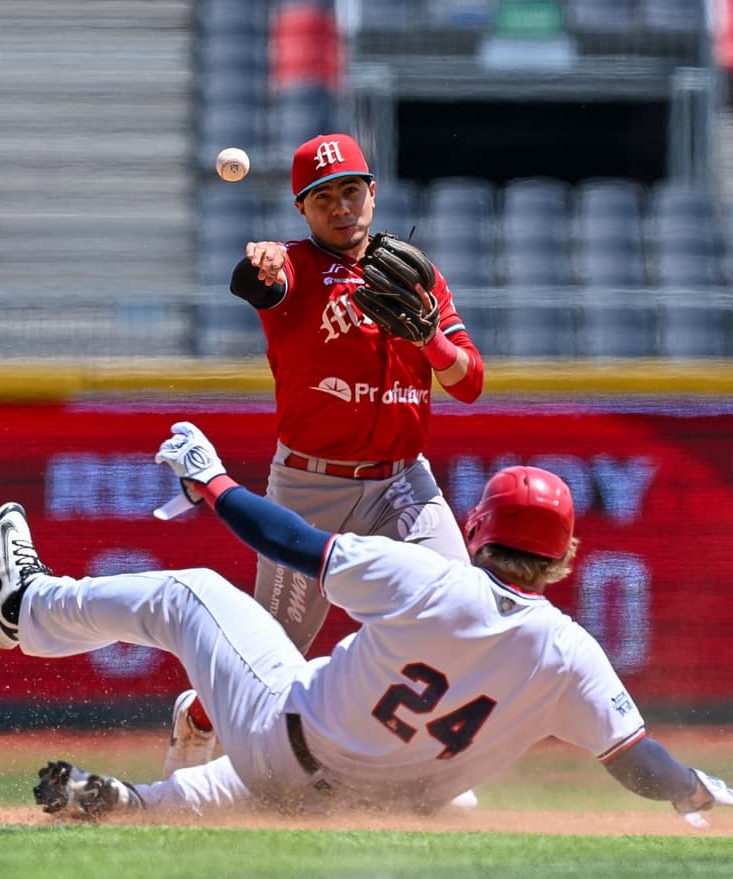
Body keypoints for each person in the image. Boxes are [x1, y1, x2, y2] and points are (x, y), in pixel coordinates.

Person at [0, 422, 733, 826]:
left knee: (188, 595)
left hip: (286, 746)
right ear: (563, 561)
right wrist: (698, 791)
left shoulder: (432, 579)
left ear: (478, 527)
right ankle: (131, 804)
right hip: (380, 806)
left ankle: (24, 607)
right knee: (448, 807)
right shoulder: (570, 653)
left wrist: (211, 482)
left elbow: (288, 539)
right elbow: (638, 765)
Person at [163, 132, 487, 777]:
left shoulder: (416, 272)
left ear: (372, 193)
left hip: (403, 486)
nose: (340, 208)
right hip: (311, 489)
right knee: (269, 654)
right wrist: (260, 266)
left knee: (463, 615)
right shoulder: (293, 267)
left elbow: (470, 384)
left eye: (350, 191)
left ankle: (401, 761)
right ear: (302, 212)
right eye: (322, 198)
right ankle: (198, 717)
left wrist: (428, 340)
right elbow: (258, 286)